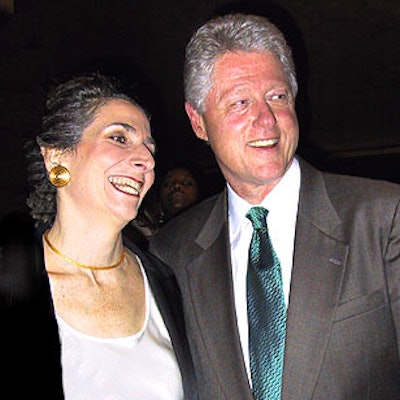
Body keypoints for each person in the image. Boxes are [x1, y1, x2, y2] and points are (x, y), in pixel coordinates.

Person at [149, 13, 400, 400]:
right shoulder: (171, 254)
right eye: (240, 102)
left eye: (277, 97)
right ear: (198, 121)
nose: (265, 120)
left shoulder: (383, 218)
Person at [0, 73, 197, 399]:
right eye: (119, 138)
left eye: (150, 148)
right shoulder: (10, 283)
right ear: (56, 156)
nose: (146, 160)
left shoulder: (167, 280)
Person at [125, 162, 201, 245]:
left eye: (186, 183)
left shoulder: (211, 228)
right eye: (167, 183)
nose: (176, 185)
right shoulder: (140, 230)